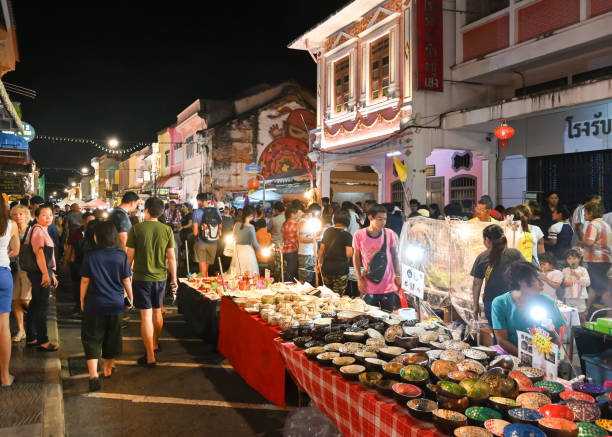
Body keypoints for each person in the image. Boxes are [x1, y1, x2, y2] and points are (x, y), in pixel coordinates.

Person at [80, 221, 133, 391]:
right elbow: (126, 280)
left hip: (94, 303)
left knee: (92, 338)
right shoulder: (121, 255)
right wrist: (131, 298)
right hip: (115, 304)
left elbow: (85, 281)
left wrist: (82, 300)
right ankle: (107, 370)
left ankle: (93, 376)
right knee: (112, 337)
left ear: (96, 238)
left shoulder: (90, 256)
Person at [126, 197, 177, 367]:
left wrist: (126, 277)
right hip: (161, 278)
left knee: (146, 316)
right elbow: (171, 258)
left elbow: (129, 258)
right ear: (161, 212)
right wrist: (174, 279)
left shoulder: (136, 229)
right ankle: (155, 343)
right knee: (158, 312)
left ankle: (150, 356)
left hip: (141, 278)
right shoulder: (167, 230)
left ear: (146, 210)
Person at [491, 261, 565, 356]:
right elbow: (502, 340)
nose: (542, 284)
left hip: (544, 358)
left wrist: (545, 358)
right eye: (537, 280)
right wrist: (528, 358)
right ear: (522, 282)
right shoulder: (501, 303)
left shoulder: (548, 302)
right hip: (514, 357)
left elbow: (556, 338)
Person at [471, 224, 524, 328]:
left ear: (487, 239)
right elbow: (526, 275)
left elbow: (477, 283)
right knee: (515, 333)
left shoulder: (482, 257)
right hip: (514, 301)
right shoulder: (515, 254)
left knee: (498, 335)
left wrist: (475, 305)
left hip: (491, 303)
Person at [353, 204, 401, 311]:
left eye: (385, 219)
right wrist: (359, 278)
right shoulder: (359, 235)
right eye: (380, 219)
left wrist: (398, 275)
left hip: (388, 285)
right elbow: (356, 257)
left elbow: (394, 255)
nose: (383, 222)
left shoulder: (389, 234)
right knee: (370, 318)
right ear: (371, 218)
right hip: (369, 285)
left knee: (388, 317)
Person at [25, 203, 59, 351]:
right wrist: (46, 273)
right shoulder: (38, 230)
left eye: (50, 215)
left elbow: (47, 256)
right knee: (42, 306)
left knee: (35, 304)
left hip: (42, 272)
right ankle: (43, 340)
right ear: (36, 217)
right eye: (44, 215)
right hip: (40, 273)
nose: (48, 217)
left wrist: (52, 273)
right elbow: (39, 253)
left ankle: (31, 336)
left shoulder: (42, 229)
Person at [578, 201, 612, 312]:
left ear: (591, 212)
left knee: (602, 288)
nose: (584, 215)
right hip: (606, 258)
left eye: (586, 213)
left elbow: (589, 242)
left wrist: (580, 243)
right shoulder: (605, 224)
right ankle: (587, 309)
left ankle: (609, 312)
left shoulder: (593, 224)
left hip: (596, 259)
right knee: (594, 285)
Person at [0, 199, 19, 387]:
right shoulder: (11, 224)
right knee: (3, 326)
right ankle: (5, 376)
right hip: (3, 274)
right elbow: (16, 250)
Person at [64, 212, 95, 315]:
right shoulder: (76, 233)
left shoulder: (97, 233)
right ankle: (78, 306)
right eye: (89, 221)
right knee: (77, 286)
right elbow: (70, 248)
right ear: (83, 222)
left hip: (91, 265)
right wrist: (66, 263)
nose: (91, 224)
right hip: (78, 264)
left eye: (93, 221)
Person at [317, 209, 353, 295]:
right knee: (337, 296)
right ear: (347, 221)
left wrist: (319, 263)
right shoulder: (347, 235)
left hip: (327, 268)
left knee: (326, 294)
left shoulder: (327, 231)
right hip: (340, 270)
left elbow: (321, 250)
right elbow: (348, 254)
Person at [9, 205, 32, 342]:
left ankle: (33, 326)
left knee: (26, 299)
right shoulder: (9, 229)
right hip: (13, 268)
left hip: (28, 270)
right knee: (15, 300)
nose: (18, 217)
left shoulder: (33, 229)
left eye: (21, 214)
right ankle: (21, 330)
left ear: (27, 216)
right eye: (15, 214)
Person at [192, 193, 222, 277]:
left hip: (201, 242)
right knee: (206, 269)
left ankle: (202, 284)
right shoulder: (216, 211)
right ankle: (205, 282)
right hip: (213, 243)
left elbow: (195, 232)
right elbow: (220, 227)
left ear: (199, 201)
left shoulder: (197, 212)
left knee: (202, 271)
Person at [229, 206, 261, 275]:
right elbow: (255, 243)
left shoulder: (236, 225)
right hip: (248, 251)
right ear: (250, 215)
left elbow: (233, 238)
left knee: (237, 273)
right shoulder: (251, 227)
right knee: (249, 274)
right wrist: (261, 250)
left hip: (238, 250)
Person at [561, 248, 590, 322]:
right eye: (569, 259)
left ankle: (582, 331)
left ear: (579, 259)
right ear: (567, 260)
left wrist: (578, 276)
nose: (572, 261)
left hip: (580, 297)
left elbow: (587, 283)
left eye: (574, 258)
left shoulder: (583, 270)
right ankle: (571, 331)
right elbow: (562, 284)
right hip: (569, 297)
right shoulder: (565, 270)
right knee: (569, 316)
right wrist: (565, 284)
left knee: (581, 316)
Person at [297, 204, 321, 284]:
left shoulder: (306, 222)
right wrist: (316, 239)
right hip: (305, 254)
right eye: (317, 213)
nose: (317, 215)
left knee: (308, 278)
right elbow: (301, 238)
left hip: (308, 253)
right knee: (305, 279)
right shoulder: (304, 222)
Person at [281, 205, 300, 282]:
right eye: (296, 213)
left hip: (285, 250)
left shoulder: (284, 224)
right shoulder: (296, 224)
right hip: (293, 250)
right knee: (291, 273)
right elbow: (299, 237)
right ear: (292, 214)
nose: (297, 215)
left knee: (288, 271)